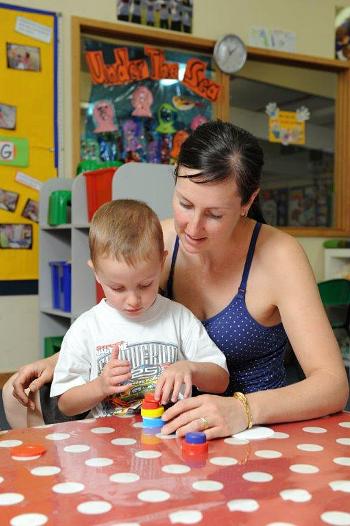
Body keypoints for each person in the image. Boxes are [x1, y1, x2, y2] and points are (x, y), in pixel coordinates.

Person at [3, 121, 348, 436]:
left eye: (214, 214)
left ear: (248, 201)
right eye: (185, 204)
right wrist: (57, 361)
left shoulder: (278, 255)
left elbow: (333, 384)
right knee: (18, 396)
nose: (193, 229)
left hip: (254, 425)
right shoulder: (162, 241)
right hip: (169, 422)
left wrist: (243, 409)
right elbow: (115, 321)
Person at [6, 199, 229, 424]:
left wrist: (190, 368)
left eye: (145, 285)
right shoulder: (87, 328)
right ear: (96, 272)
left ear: (162, 261)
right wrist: (99, 387)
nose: (133, 300)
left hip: (169, 437)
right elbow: (66, 404)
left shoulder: (178, 318)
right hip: (104, 445)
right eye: (118, 288)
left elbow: (221, 380)